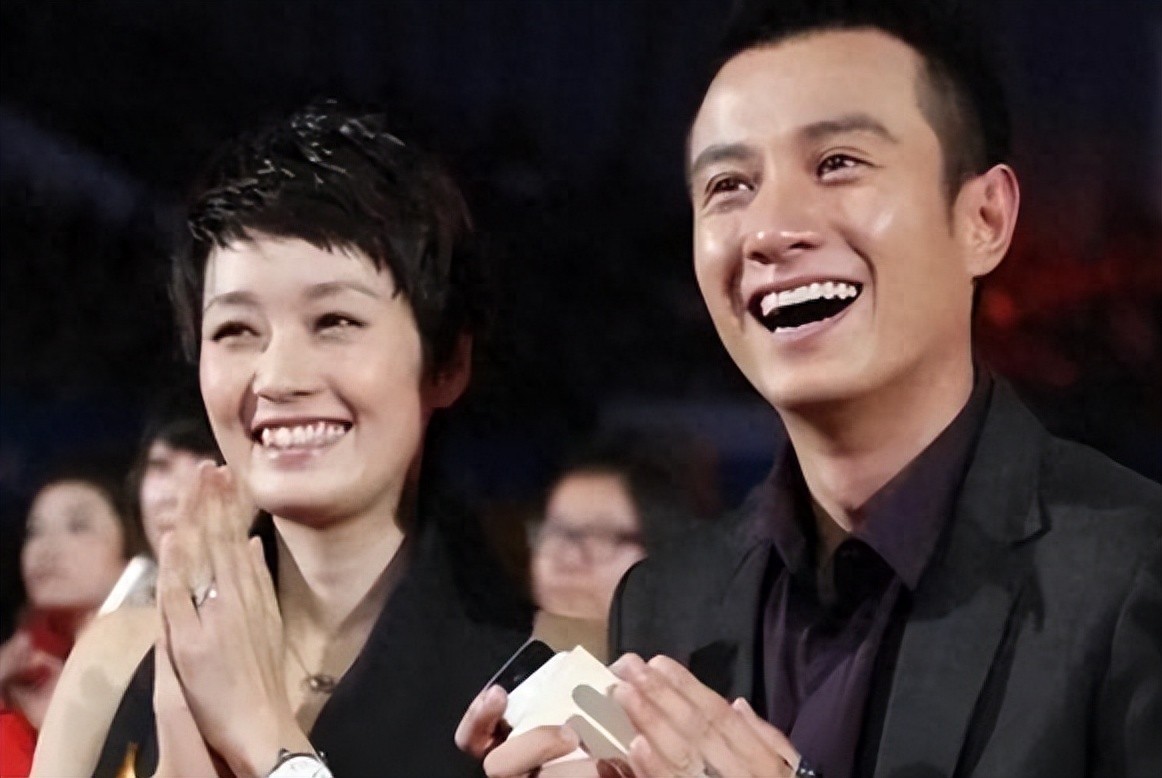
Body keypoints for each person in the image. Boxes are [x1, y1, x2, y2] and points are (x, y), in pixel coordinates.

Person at [456, 1, 1162, 776]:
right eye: (729, 185)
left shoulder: (1132, 570)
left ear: (983, 219)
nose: (770, 231)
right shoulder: (666, 601)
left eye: (838, 164)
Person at [32, 101, 531, 778]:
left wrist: (261, 733)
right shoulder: (115, 663)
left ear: (447, 364)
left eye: (335, 321)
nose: (277, 378)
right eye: (236, 330)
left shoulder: (551, 677)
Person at [1, 467, 136, 778]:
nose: (46, 549)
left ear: (132, 543)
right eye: (34, 531)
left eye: (78, 526)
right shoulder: (20, 682)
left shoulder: (159, 663)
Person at [529, 430, 708, 660]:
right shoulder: (494, 672)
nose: (568, 560)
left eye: (600, 536)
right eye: (556, 532)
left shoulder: (707, 675)